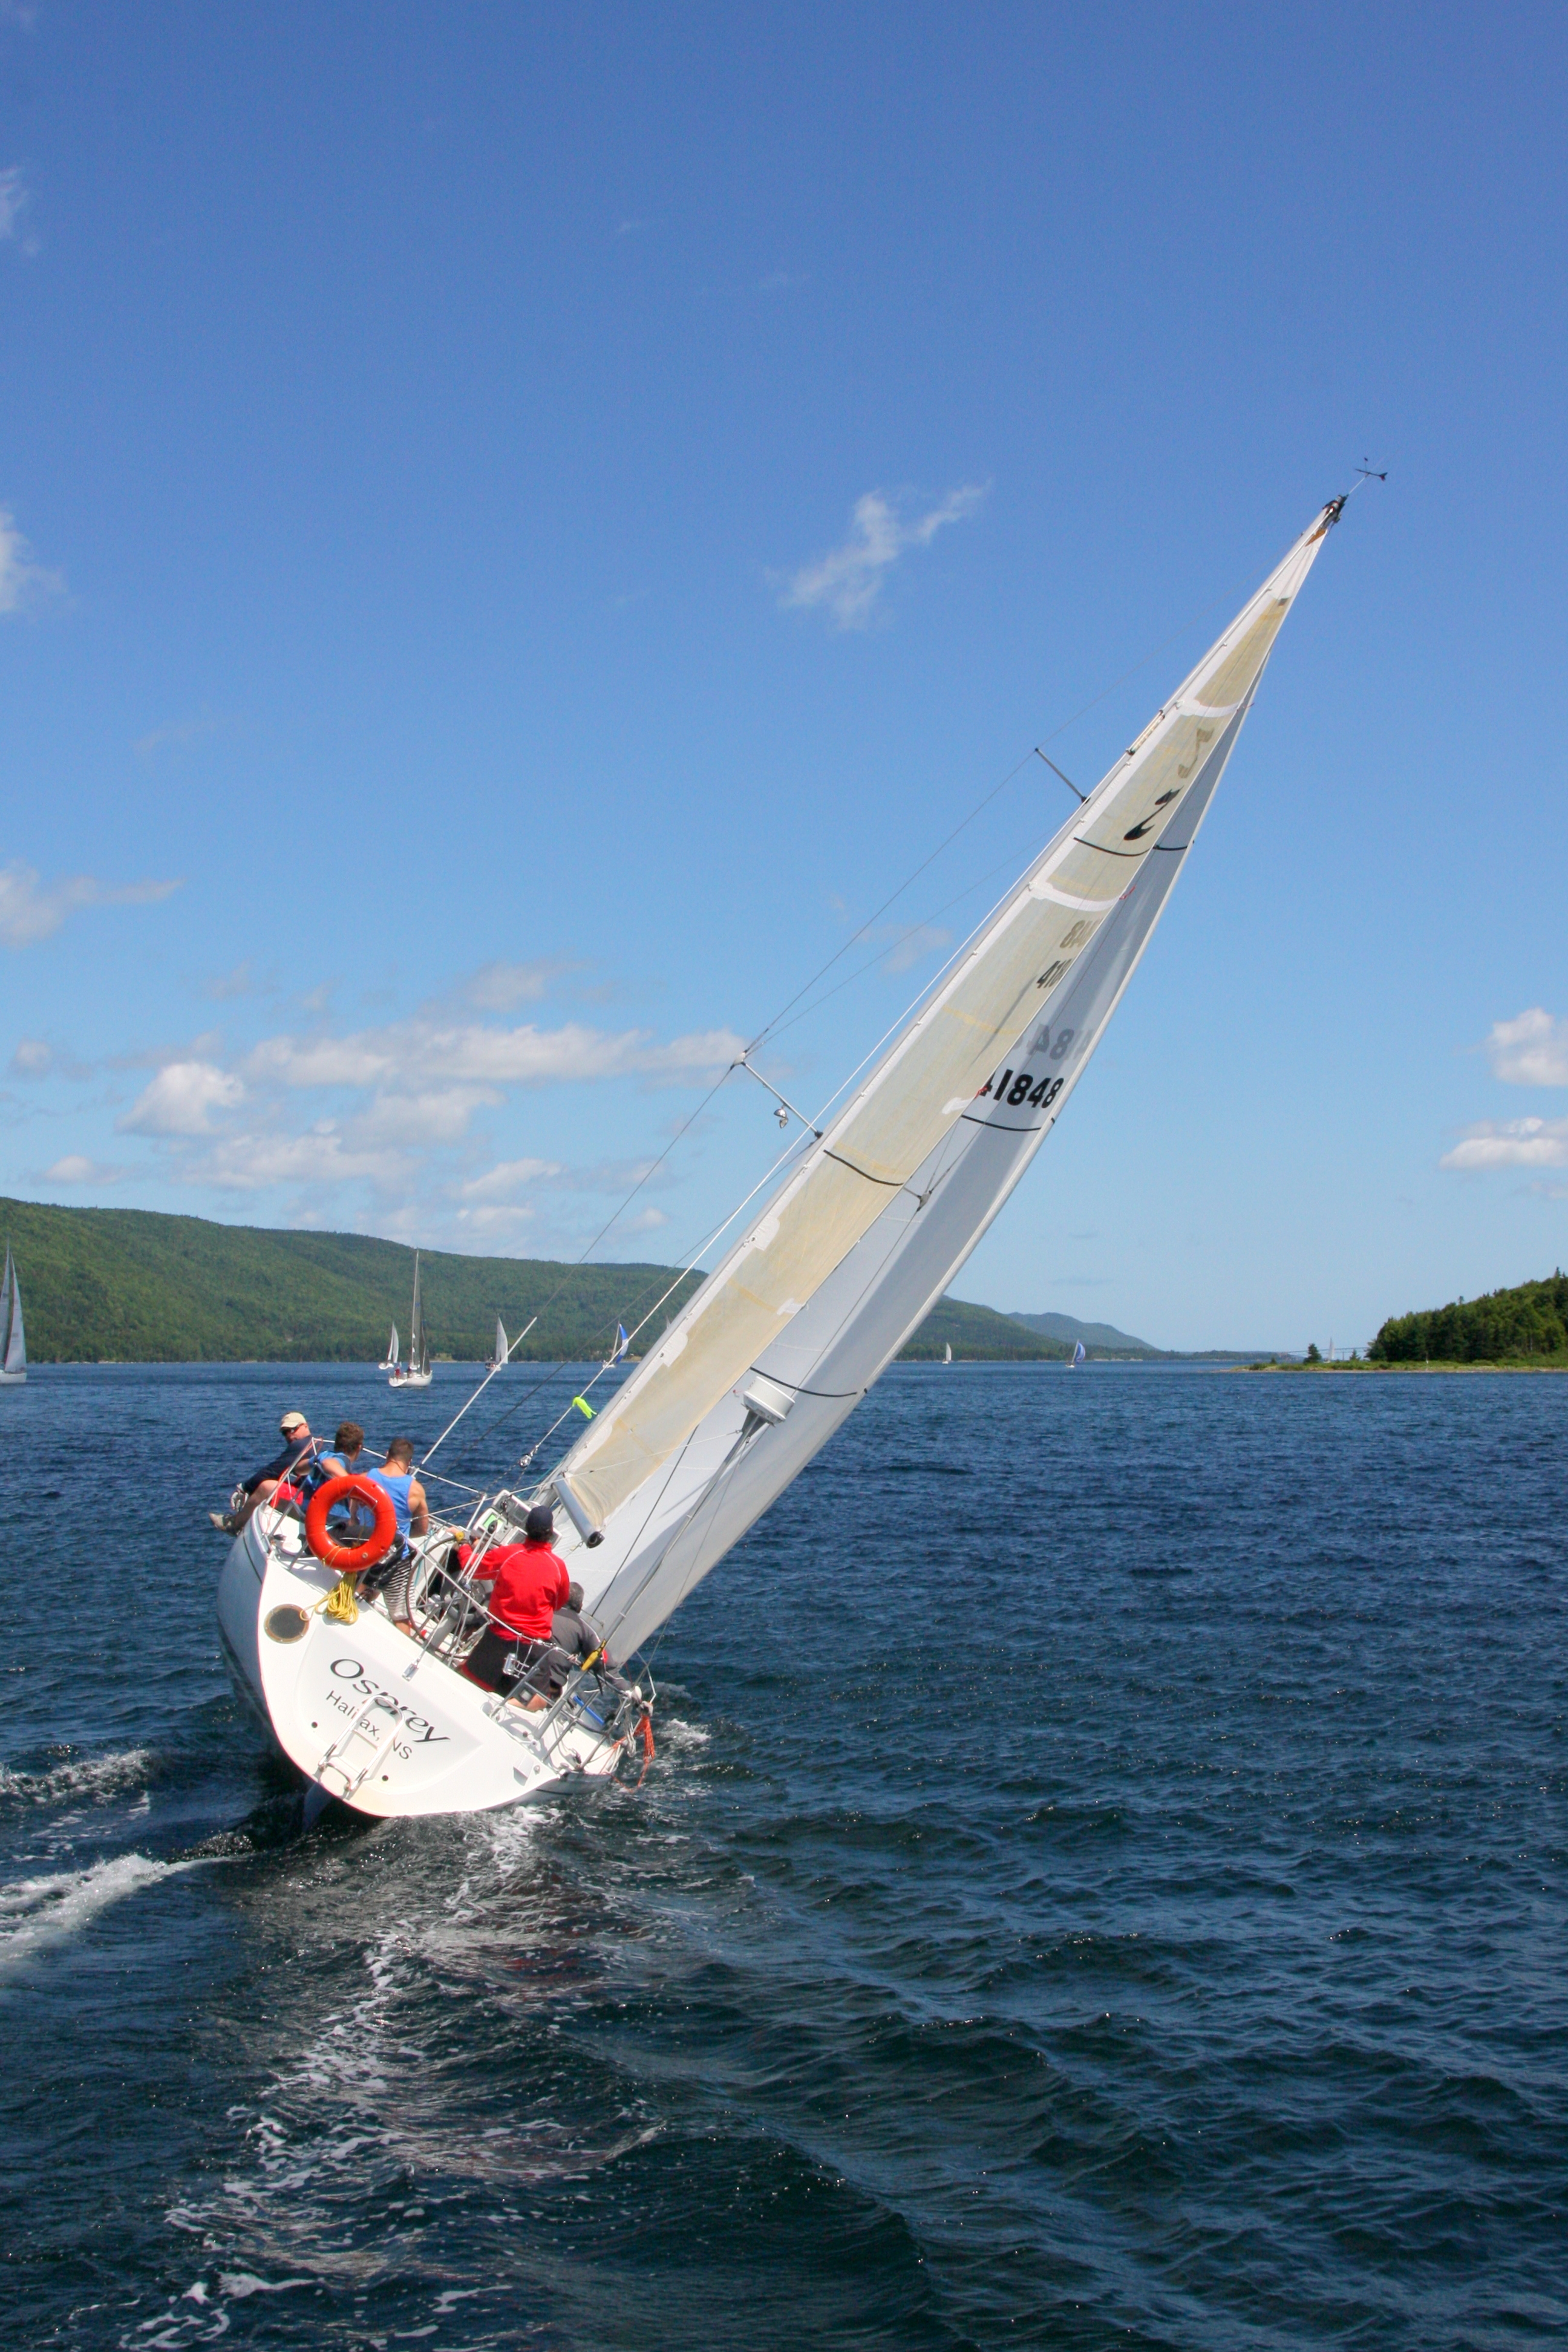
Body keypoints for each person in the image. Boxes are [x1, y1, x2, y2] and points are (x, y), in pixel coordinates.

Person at [461, 1503, 570, 1706]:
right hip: (533, 1649)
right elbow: (559, 1602)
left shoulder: (509, 1554)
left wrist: (464, 1545)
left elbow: (472, 1567)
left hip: (498, 1639)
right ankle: (511, 1707)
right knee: (539, 1700)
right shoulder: (558, 1567)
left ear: (527, 1528)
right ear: (550, 1535)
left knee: (468, 1679)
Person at [353, 1437, 430, 1629]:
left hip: (366, 1551)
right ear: (409, 1462)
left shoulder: (364, 1478)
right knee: (402, 1617)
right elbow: (422, 1529)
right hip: (396, 1559)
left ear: (387, 1455)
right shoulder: (415, 1490)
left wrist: (357, 1524)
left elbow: (352, 1511)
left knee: (357, 1595)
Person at [210, 1410, 313, 1534]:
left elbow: (275, 1470)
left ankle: (234, 1524)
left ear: (305, 1426)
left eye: (292, 1430)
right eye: (285, 1433)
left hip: (308, 1501)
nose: (289, 1436)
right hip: (312, 1496)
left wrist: (245, 1488)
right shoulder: (315, 1444)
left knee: (266, 1487)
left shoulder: (301, 1446)